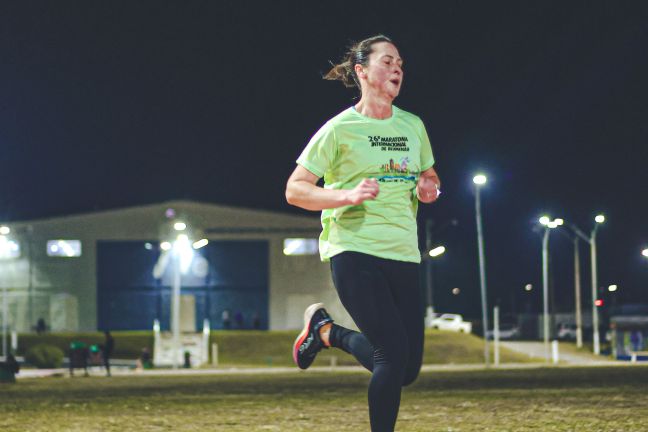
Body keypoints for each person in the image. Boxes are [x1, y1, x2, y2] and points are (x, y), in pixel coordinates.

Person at [286, 35, 440, 432]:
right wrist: (346, 195)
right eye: (387, 62)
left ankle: (325, 331)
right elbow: (296, 189)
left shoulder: (413, 125)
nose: (397, 70)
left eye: (401, 64)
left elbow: (429, 174)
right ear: (361, 72)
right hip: (354, 251)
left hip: (403, 252)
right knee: (391, 354)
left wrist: (429, 186)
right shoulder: (339, 129)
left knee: (407, 369)